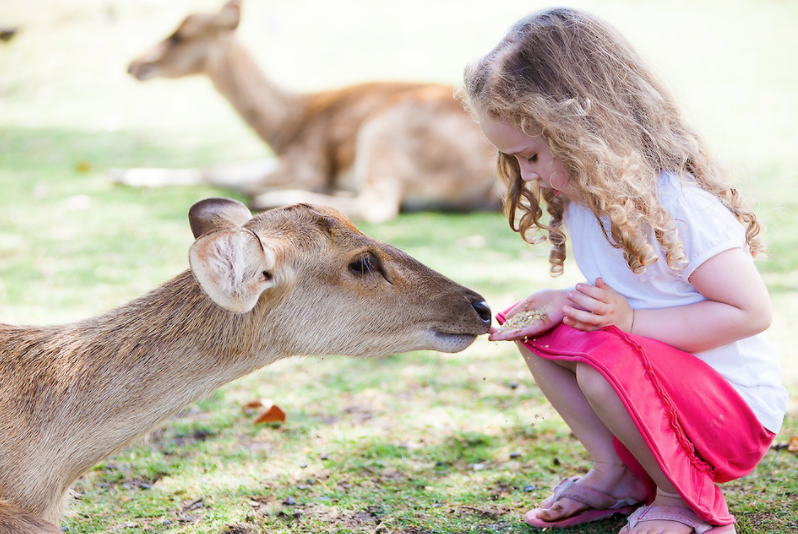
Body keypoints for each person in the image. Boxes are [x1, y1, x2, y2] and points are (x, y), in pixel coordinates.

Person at [459, 7, 788, 534]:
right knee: (535, 328)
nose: (526, 174)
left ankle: (684, 502)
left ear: (584, 130)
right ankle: (618, 474)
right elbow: (633, 297)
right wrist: (562, 302)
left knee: (600, 365)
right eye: (515, 160)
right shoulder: (587, 202)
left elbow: (749, 312)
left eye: (533, 156)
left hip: (733, 413)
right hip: (661, 387)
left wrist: (629, 322)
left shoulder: (680, 205)